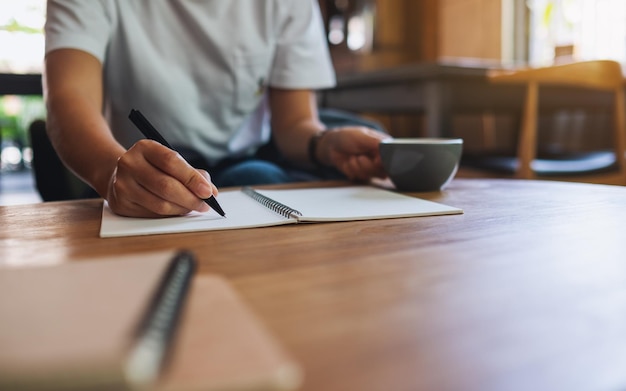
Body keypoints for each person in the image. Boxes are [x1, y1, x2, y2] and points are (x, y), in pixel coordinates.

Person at [44, 0, 389, 218]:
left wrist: (325, 144)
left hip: (250, 161)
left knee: (259, 178)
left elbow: (295, 123)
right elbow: (69, 97)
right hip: (136, 166)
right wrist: (112, 173)